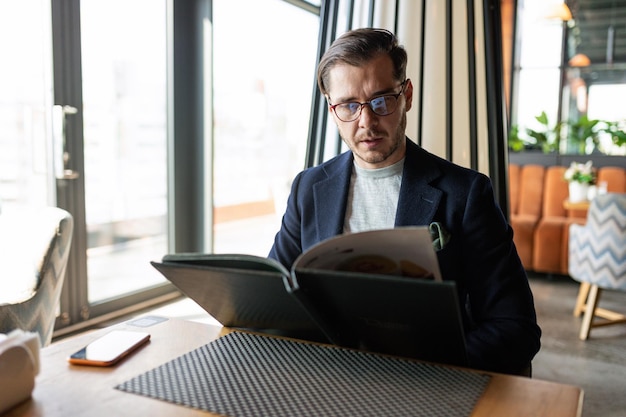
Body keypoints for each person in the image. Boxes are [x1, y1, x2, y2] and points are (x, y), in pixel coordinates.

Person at [268, 27, 541, 376]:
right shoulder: (309, 187)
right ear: (332, 109)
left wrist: (418, 369)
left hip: (428, 383)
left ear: (407, 94)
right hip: (330, 377)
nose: (366, 121)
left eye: (381, 101)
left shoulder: (467, 194)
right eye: (349, 105)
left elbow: (515, 328)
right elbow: (274, 301)